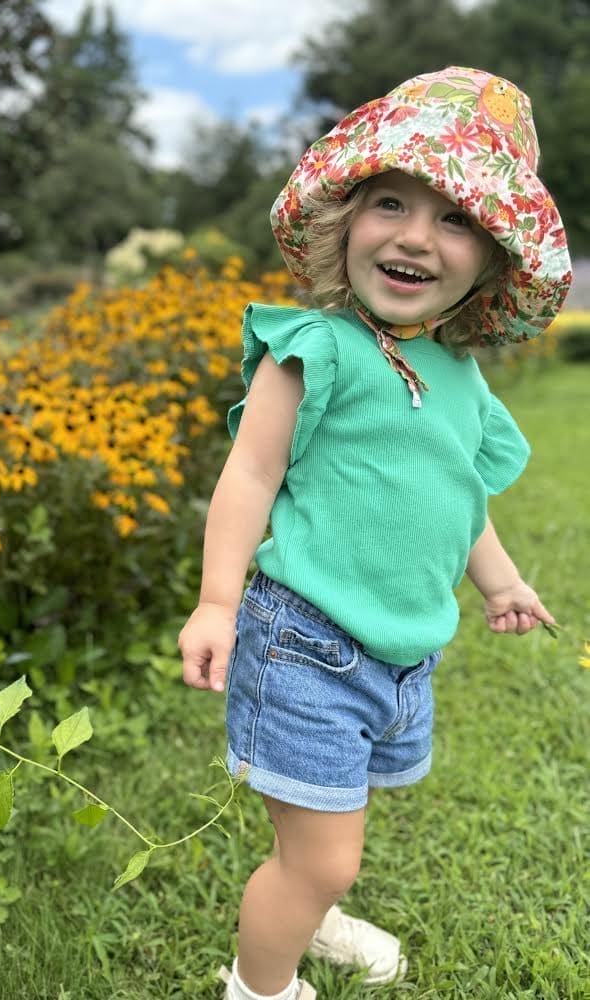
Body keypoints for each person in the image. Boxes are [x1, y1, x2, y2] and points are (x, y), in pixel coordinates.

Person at [178, 66, 572, 1000]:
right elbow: (248, 478)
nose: (414, 236)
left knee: (325, 828)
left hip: (397, 655)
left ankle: (307, 903)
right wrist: (215, 602)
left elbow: (455, 499)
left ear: (491, 259)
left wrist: (503, 582)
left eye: (454, 218)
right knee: (324, 856)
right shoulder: (314, 349)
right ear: (341, 221)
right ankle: (260, 986)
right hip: (302, 642)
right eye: (390, 202)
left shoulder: (461, 380)